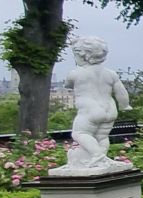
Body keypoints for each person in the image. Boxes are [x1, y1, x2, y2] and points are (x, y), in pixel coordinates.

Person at [53, 36, 132, 175]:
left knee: (79, 133)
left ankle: (98, 156)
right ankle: (101, 160)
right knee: (102, 137)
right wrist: (124, 105)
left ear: (82, 55)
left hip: (90, 110)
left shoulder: (76, 73)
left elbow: (68, 85)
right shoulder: (110, 74)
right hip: (110, 109)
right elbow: (121, 93)